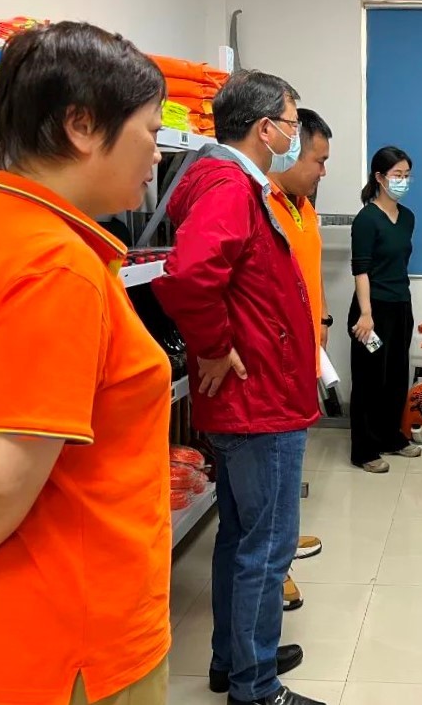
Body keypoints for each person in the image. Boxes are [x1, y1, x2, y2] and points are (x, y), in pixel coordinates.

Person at [0, 22, 172, 705]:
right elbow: (3, 476)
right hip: (78, 637)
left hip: (26, 620)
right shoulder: (53, 267)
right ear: (82, 126)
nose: (157, 152)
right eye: (150, 130)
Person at [151, 70, 323, 705]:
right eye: (291, 122)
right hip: (260, 403)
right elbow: (189, 276)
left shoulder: (236, 184)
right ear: (265, 128)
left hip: (255, 398)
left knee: (239, 536)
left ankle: (235, 657)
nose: (294, 135)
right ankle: (255, 687)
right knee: (266, 546)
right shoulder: (229, 186)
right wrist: (214, 345)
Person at [267, 108, 333, 611]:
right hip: (275, 366)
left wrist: (323, 323)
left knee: (290, 469)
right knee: (270, 479)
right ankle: (277, 568)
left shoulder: (303, 207)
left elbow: (310, 272)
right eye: (318, 160)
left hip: (305, 358)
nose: (323, 171)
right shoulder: (261, 204)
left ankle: (285, 543)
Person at [349, 146, 419, 473]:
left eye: (407, 175)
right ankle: (364, 450)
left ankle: (391, 436)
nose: (403, 181)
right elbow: (361, 270)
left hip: (400, 306)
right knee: (369, 379)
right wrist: (366, 314)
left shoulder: (407, 218)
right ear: (379, 177)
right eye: (397, 175)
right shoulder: (367, 219)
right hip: (372, 312)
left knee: (395, 376)